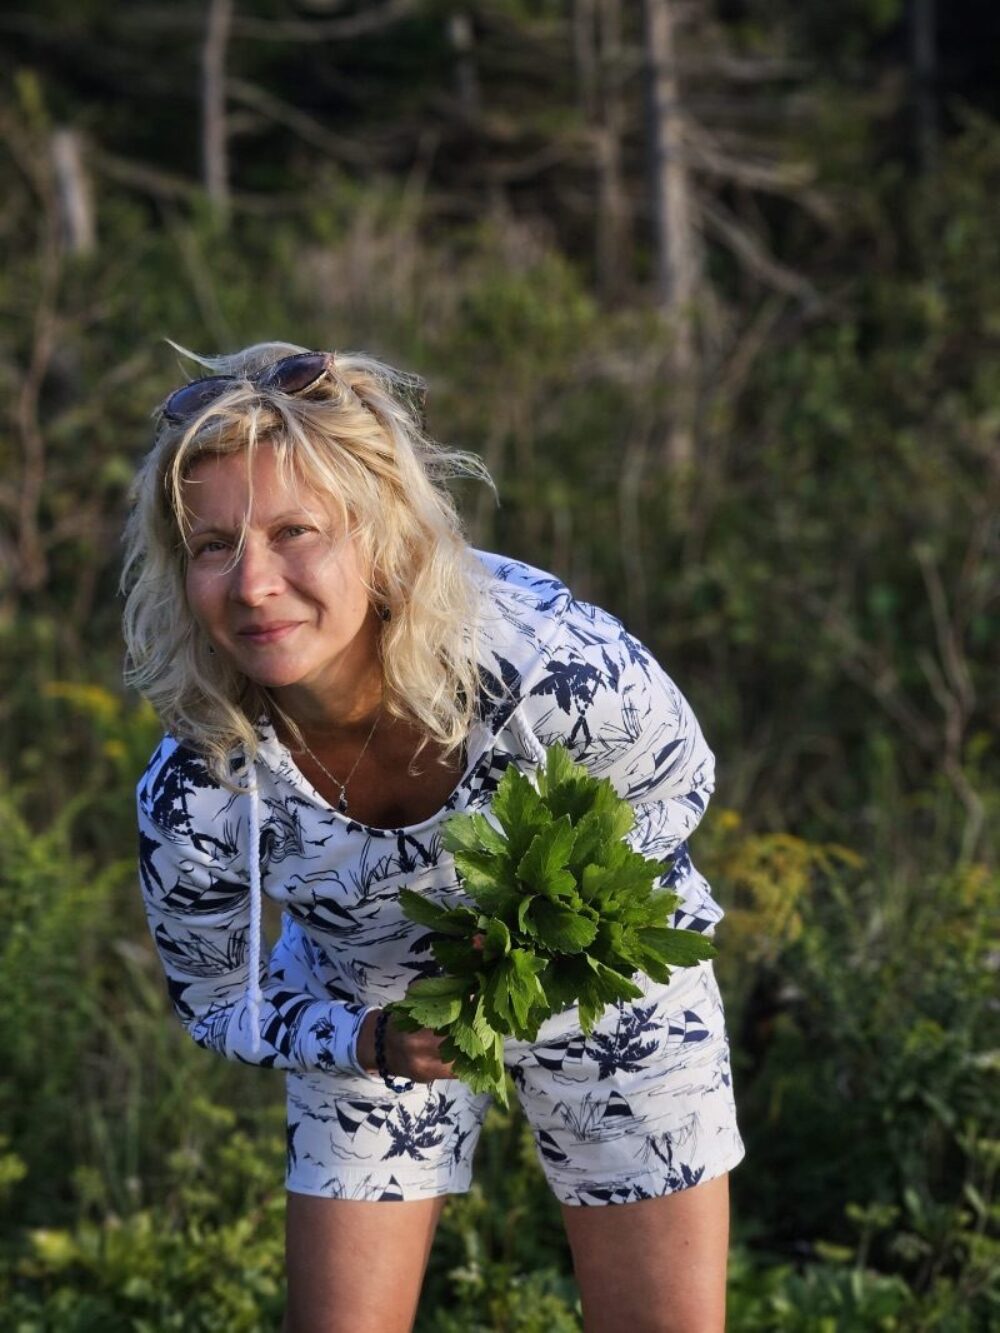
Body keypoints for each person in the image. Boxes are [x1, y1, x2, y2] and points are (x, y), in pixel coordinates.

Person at [122, 341, 746, 1333]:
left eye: (295, 532)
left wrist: (547, 932)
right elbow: (217, 996)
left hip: (599, 972)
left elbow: (675, 782)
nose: (252, 583)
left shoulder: (545, 659)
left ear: (378, 533)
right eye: (213, 545)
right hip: (363, 1000)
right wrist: (366, 1037)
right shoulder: (200, 780)